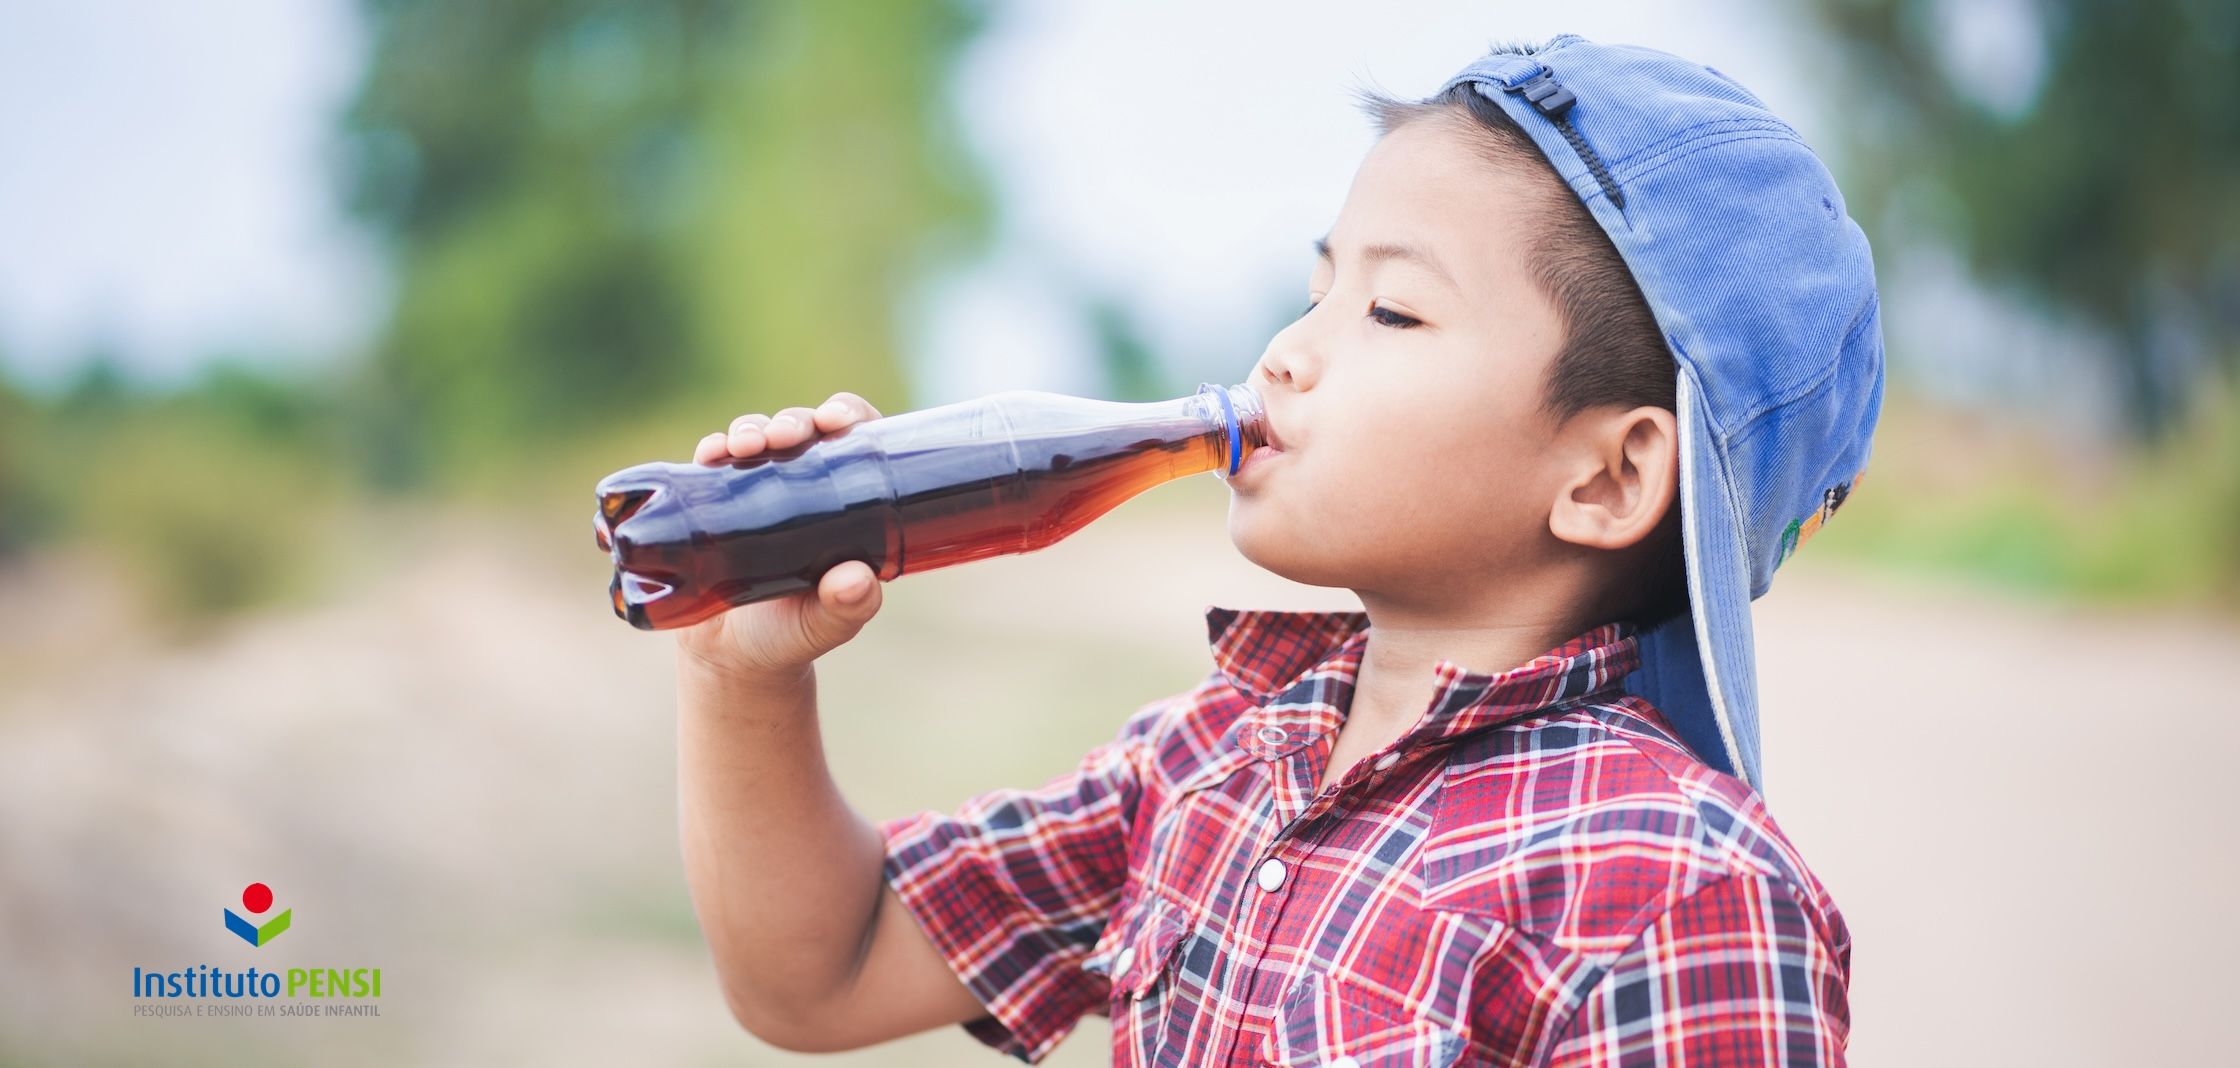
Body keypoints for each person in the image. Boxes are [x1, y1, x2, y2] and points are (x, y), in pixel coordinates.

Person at [674, 33, 1881, 1066]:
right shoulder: (1210, 760)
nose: (1284, 356)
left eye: (1390, 311)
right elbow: (819, 971)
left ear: (1608, 477)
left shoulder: (1676, 889)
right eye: (1314, 291)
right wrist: (744, 674)